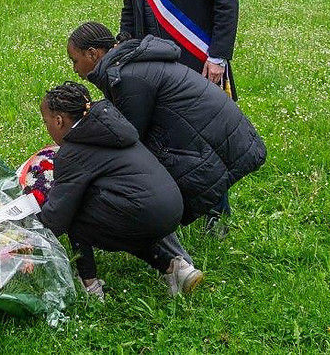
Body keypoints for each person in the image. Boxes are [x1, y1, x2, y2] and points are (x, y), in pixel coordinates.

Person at [65, 22, 267, 234]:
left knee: (173, 162)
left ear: (92, 54)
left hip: (217, 133)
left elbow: (128, 137)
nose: (74, 69)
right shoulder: (125, 64)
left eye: (75, 61)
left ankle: (215, 221)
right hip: (216, 128)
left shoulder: (128, 76)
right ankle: (213, 216)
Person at [115, 0, 240, 226]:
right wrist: (124, 47)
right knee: (163, 136)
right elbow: (131, 6)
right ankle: (180, 204)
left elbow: (226, 3)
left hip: (197, 60)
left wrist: (217, 58)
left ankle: (218, 211)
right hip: (151, 64)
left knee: (208, 138)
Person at [37, 81, 203, 300]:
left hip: (143, 211)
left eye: (45, 122)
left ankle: (90, 287)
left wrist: (25, 229)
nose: (46, 127)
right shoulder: (109, 126)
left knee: (76, 213)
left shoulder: (72, 153)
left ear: (59, 121)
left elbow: (57, 218)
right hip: (172, 206)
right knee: (120, 219)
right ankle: (175, 267)